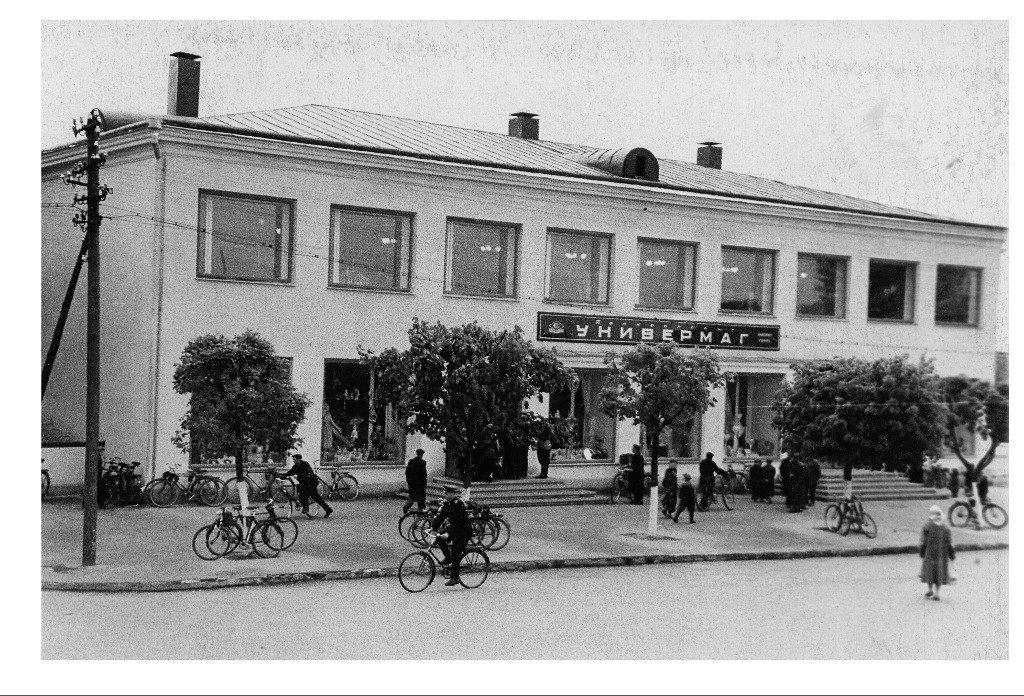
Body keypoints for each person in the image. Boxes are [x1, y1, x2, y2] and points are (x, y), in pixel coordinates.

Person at [432, 486, 472, 586]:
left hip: (463, 531)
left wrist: (449, 533)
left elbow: (458, 522)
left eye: (447, 493)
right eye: (445, 493)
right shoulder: (447, 504)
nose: (445, 495)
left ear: (452, 494)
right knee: (439, 537)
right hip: (454, 529)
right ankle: (447, 558)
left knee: (455, 552)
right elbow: (441, 517)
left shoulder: (458, 504)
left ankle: (455, 578)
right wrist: (433, 528)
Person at [920, 504, 955, 601]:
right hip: (941, 555)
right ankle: (937, 593)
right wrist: (951, 554)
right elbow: (949, 543)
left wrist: (922, 551)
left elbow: (924, 541)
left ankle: (930, 590)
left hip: (930, 554)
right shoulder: (946, 528)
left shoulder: (927, 527)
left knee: (930, 572)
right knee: (939, 573)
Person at [284, 453, 333, 518]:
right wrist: (281, 477)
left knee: (305, 495)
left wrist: (299, 476)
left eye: (294, 459)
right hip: (304, 483)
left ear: (298, 459)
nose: (293, 461)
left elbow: (308, 472)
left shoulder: (305, 464)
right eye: (293, 459)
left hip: (311, 483)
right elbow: (290, 472)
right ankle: (328, 510)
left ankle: (306, 508)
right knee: (315, 498)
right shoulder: (295, 466)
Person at [402, 448, 428, 514]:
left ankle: (406, 508)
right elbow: (423, 474)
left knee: (412, 496)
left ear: (416, 454)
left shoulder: (411, 461)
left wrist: (408, 481)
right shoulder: (423, 462)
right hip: (420, 483)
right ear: (422, 455)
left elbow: (407, 472)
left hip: (412, 483)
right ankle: (421, 510)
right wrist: (424, 483)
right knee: (421, 497)